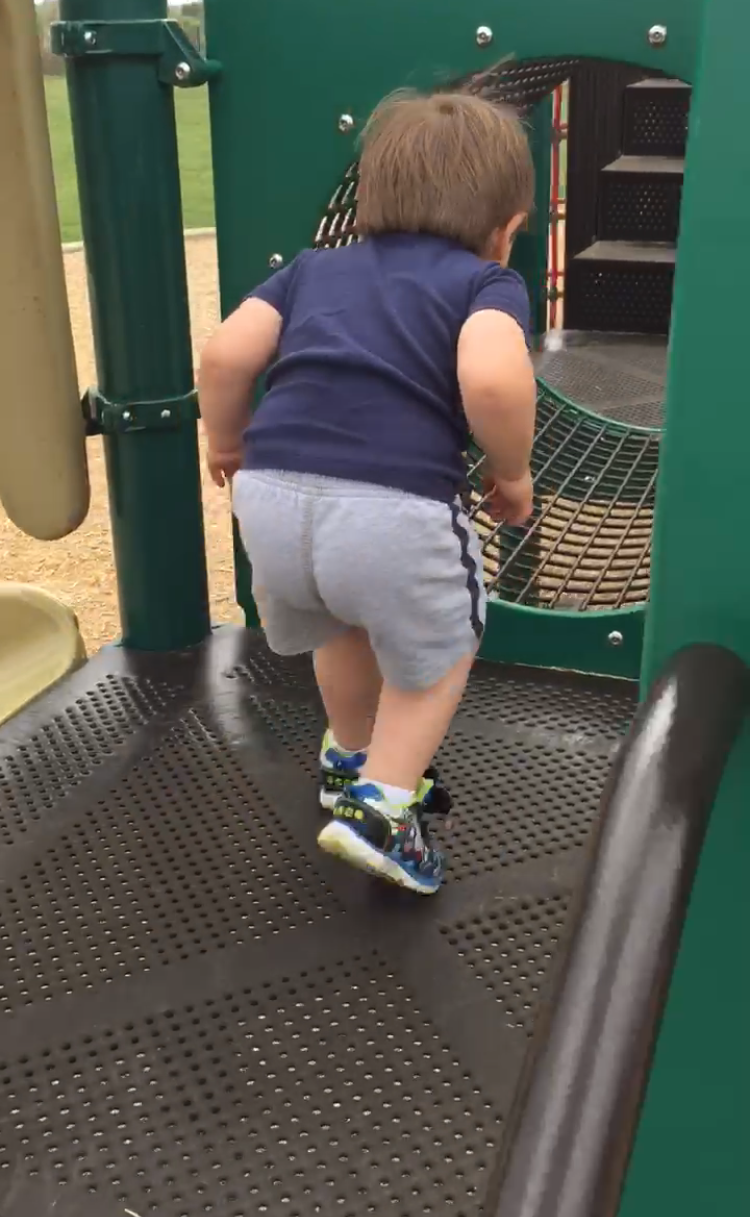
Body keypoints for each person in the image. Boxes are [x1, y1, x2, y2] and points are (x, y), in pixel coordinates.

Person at [198, 90, 537, 896]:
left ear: (366, 204)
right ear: (508, 228)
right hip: (395, 505)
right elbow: (493, 378)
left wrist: (227, 441)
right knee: (442, 649)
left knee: (339, 623)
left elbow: (223, 354)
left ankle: (351, 761)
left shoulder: (311, 269)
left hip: (270, 496)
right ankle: (383, 805)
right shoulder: (486, 284)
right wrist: (513, 472)